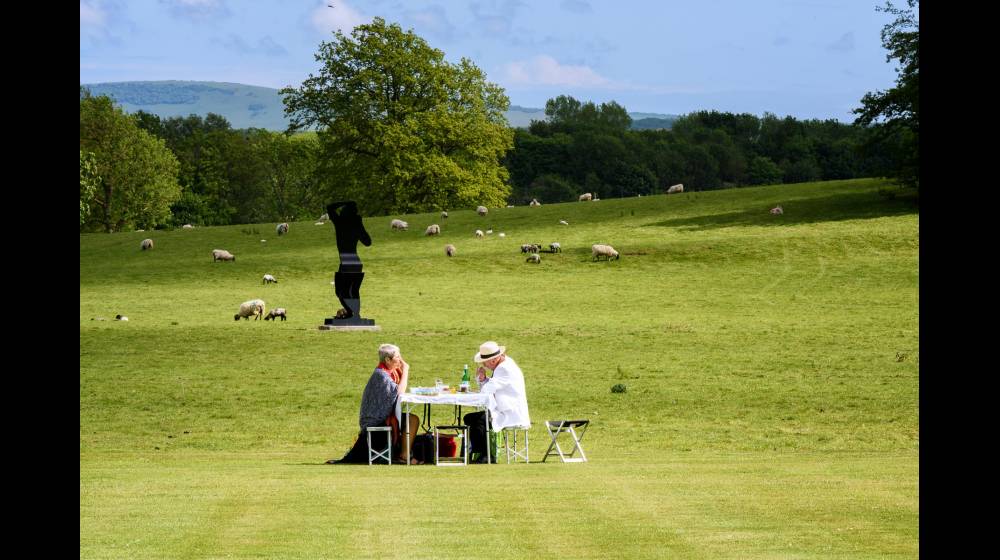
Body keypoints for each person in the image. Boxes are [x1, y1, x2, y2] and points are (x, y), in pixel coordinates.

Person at [328, 344, 422, 464]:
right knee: (412, 420)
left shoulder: (387, 373)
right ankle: (404, 455)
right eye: (398, 357)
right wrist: (406, 370)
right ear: (387, 360)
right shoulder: (381, 375)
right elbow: (400, 392)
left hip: (382, 418)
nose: (400, 360)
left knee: (412, 419)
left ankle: (404, 454)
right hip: (375, 422)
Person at [463, 341, 530, 464]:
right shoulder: (505, 364)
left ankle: (486, 455)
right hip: (505, 409)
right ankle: (480, 452)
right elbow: (493, 385)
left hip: (510, 412)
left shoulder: (504, 368)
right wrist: (484, 379)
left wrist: (481, 381)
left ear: (493, 360)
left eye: (485, 362)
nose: (484, 364)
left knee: (479, 420)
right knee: (470, 418)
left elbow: (488, 389)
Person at [327, 200, 372, 318]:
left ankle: (354, 314)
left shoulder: (340, 222)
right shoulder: (353, 223)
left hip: (348, 262)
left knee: (346, 292)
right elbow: (367, 242)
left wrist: (344, 202)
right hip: (353, 262)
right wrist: (359, 226)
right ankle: (352, 313)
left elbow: (330, 207)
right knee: (346, 291)